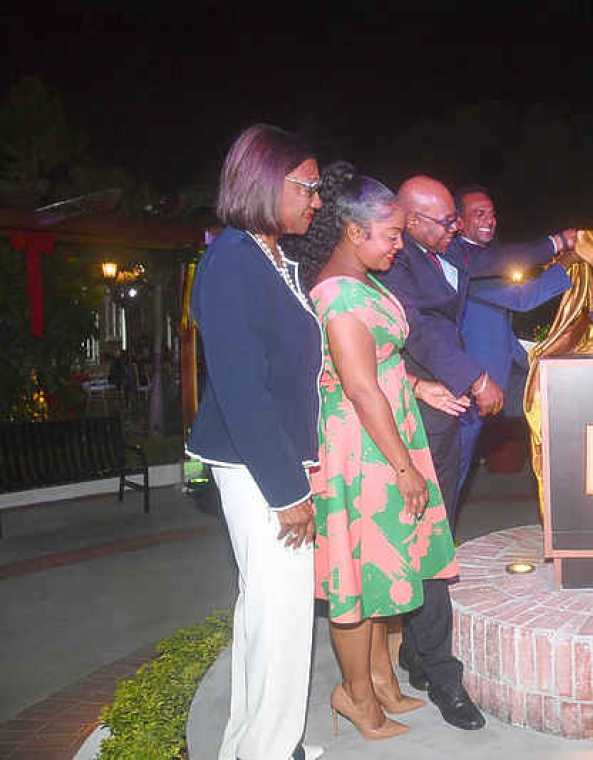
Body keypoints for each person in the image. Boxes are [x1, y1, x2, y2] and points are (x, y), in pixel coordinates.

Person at [281, 163, 471, 740]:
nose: (398, 244)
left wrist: (419, 385)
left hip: (392, 427)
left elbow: (380, 364)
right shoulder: (336, 296)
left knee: (391, 567)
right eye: (390, 234)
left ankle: (385, 681)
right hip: (362, 448)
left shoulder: (368, 282)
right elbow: (359, 389)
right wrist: (404, 466)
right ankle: (356, 698)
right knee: (358, 577)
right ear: (353, 232)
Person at [377, 175, 557, 727]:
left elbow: (504, 260)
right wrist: (474, 377)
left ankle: (415, 650)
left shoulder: (443, 251)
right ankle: (440, 673)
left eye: (459, 218)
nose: (457, 228)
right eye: (448, 220)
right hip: (415, 414)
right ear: (408, 220)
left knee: (436, 534)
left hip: (445, 410)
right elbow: (426, 331)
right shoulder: (396, 264)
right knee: (423, 536)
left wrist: (563, 243)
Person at [185, 124, 324, 760]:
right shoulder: (232, 261)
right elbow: (241, 387)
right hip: (258, 466)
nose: (317, 200)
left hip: (269, 462)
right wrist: (288, 490)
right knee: (281, 616)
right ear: (269, 182)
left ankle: (253, 744)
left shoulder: (267, 257)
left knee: (264, 613)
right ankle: (270, 751)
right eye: (309, 186)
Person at [452, 185, 576, 490]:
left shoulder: (487, 256)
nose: (489, 221)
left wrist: (531, 359)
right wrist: (565, 264)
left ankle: (571, 494)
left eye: (492, 214)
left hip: (507, 372)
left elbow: (500, 320)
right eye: (479, 214)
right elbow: (523, 298)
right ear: (458, 221)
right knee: (453, 468)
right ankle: (438, 535)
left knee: (561, 406)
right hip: (471, 382)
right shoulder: (464, 261)